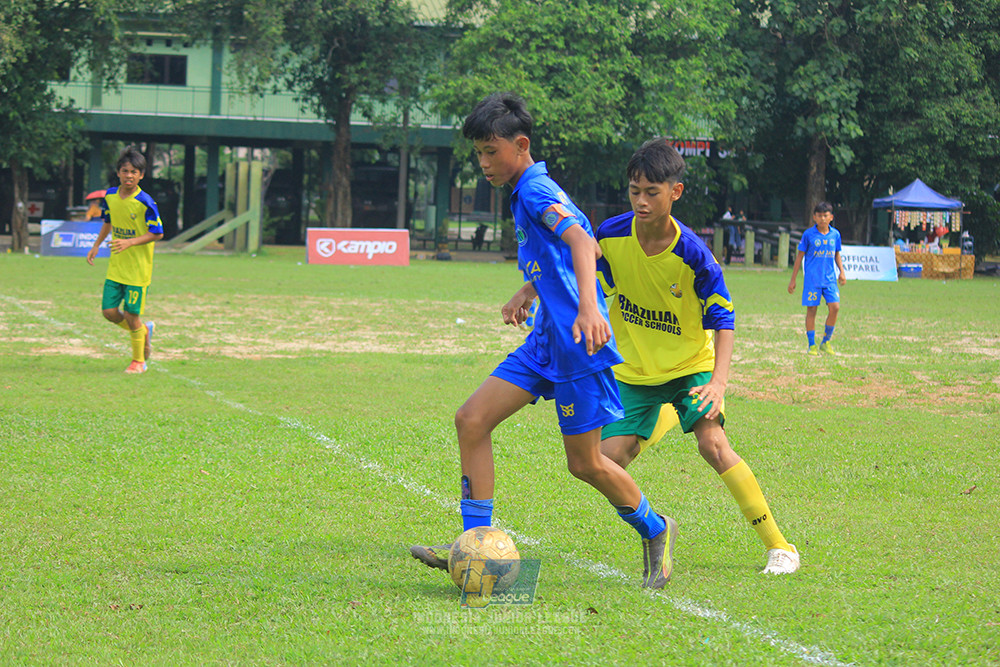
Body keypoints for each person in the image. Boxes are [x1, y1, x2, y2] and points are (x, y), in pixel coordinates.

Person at [411, 93, 677, 589]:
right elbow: (580, 244)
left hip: (578, 344)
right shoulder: (524, 189)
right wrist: (530, 287)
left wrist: (589, 307)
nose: (484, 163)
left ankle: (657, 528)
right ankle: (477, 548)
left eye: (491, 152)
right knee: (471, 420)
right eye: (478, 154)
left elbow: (581, 241)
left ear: (521, 145)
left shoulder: (534, 189)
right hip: (545, 340)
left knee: (586, 464)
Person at [596, 138, 800, 576]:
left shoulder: (694, 254)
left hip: (691, 368)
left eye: (652, 192)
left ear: (676, 192)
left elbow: (724, 321)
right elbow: (576, 268)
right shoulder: (611, 235)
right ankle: (658, 524)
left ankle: (780, 546)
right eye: (635, 191)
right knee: (604, 460)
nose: (642, 201)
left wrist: (718, 382)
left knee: (712, 443)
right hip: (632, 372)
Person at [86, 146, 163, 374]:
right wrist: (96, 244)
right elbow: (108, 221)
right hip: (117, 265)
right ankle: (142, 331)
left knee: (131, 314)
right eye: (125, 170)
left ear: (141, 175)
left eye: (134, 172)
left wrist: (129, 242)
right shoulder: (110, 195)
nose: (129, 175)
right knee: (109, 312)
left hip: (138, 269)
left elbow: (157, 232)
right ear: (118, 172)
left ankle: (139, 361)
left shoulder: (145, 202)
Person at [787, 201, 846, 355]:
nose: (822, 219)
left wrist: (842, 271)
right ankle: (812, 345)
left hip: (830, 280)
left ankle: (826, 342)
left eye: (825, 216)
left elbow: (837, 254)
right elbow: (799, 257)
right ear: (814, 217)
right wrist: (793, 280)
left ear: (831, 217)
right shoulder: (808, 235)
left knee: (835, 307)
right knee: (812, 310)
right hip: (812, 280)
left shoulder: (835, 235)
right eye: (819, 216)